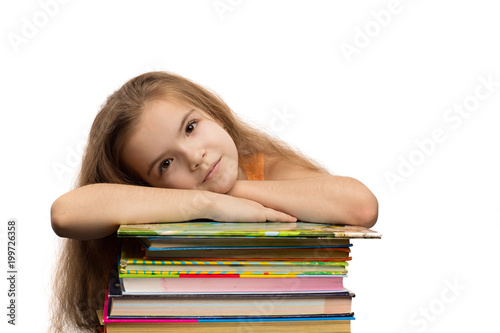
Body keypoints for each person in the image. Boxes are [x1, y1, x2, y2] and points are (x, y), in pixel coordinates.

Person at [49, 71, 378, 332]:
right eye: (165, 164)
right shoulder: (157, 200)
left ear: (216, 114)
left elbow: (360, 206)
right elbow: (65, 215)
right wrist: (205, 204)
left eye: (191, 127)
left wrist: (232, 193)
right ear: (143, 185)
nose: (195, 157)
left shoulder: (266, 169)